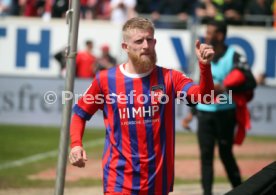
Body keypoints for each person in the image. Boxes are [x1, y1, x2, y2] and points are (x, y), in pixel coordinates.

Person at [69, 17, 215, 195]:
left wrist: (205, 67)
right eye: (139, 41)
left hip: (158, 180)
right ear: (125, 47)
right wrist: (76, 144)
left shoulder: (170, 77)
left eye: (149, 40)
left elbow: (205, 98)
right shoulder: (105, 79)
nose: (146, 45)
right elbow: (80, 114)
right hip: (118, 179)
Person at [195, 20, 255, 195]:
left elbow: (250, 82)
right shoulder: (201, 55)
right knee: (206, 157)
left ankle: (241, 189)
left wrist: (226, 88)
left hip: (225, 114)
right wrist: (192, 112)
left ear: (220, 35)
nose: (206, 35)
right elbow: (197, 86)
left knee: (225, 154)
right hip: (204, 113)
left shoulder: (235, 56)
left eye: (210, 32)